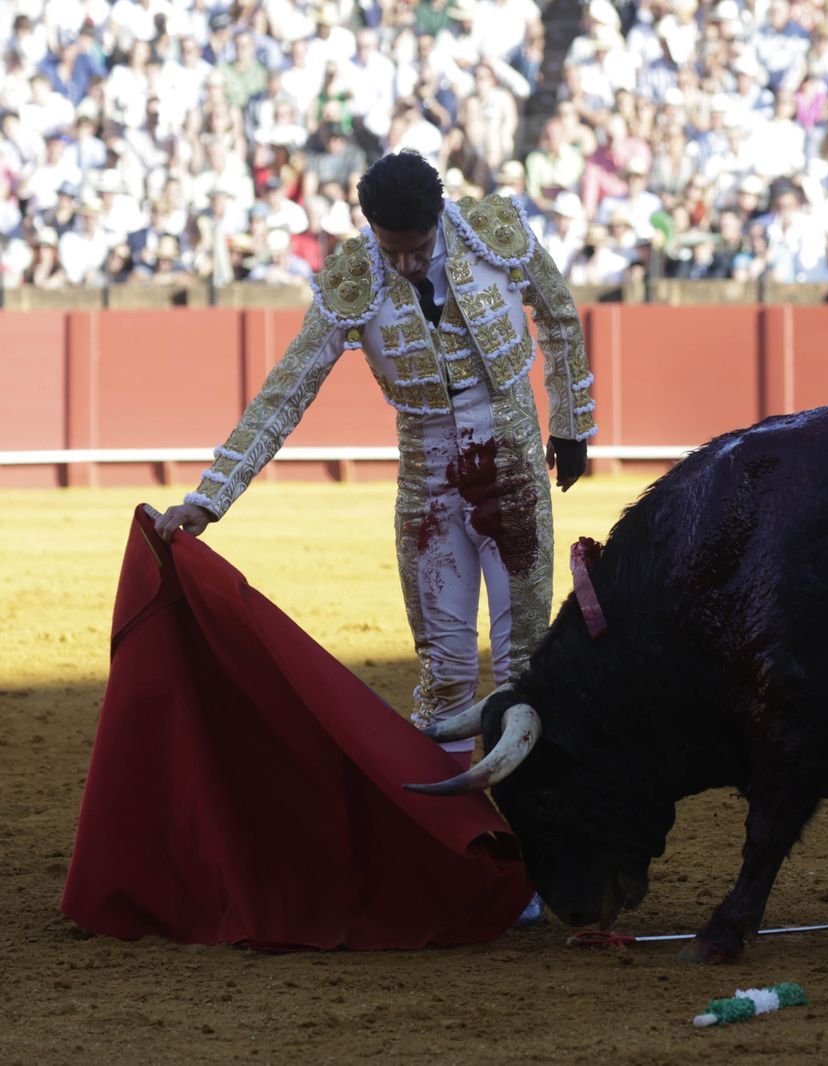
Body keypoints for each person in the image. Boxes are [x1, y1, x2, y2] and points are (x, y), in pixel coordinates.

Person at [155, 151, 598, 781]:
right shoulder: (355, 276)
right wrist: (210, 496)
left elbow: (557, 316)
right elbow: (288, 390)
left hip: (514, 472)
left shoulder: (494, 233)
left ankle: (534, 839)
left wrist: (573, 423)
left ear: (439, 217)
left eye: (416, 249)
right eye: (392, 251)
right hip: (429, 488)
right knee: (444, 670)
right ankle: (450, 846)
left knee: (522, 665)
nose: (405, 264)